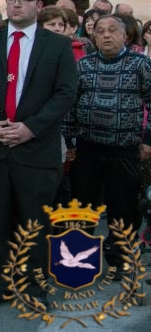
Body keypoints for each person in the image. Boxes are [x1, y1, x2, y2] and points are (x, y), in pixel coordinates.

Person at [0, 0, 77, 309]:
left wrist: (31, 128)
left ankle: (34, 286)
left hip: (35, 149)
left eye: (24, 0)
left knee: (34, 222)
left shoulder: (55, 46)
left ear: (38, 6)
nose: (16, 5)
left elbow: (65, 93)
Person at [67, 15, 151, 276]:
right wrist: (69, 140)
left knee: (122, 209)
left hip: (124, 148)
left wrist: (148, 140)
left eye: (112, 30)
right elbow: (71, 104)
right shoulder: (84, 65)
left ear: (125, 35)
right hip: (87, 148)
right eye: (100, 31)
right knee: (83, 207)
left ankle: (120, 261)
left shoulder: (141, 64)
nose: (105, 35)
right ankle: (79, 264)